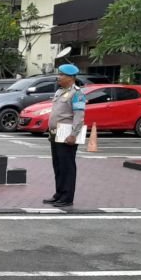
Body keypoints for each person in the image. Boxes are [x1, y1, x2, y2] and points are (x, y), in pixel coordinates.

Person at [44, 63, 86, 208]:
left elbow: (79, 116)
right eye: (59, 74)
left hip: (67, 135)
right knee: (58, 165)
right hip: (56, 133)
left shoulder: (77, 93)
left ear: (71, 78)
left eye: (62, 75)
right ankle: (59, 194)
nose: (59, 77)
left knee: (67, 166)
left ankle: (67, 197)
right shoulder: (59, 92)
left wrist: (74, 134)